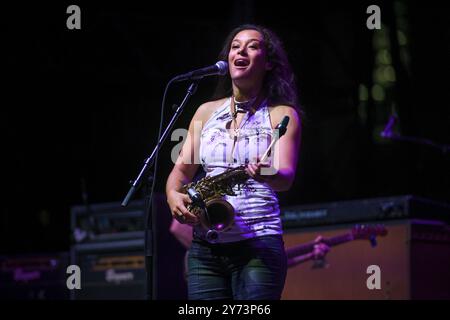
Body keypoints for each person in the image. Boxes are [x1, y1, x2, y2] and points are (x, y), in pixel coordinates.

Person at [165, 24, 301, 300]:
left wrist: (266, 173)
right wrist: (172, 195)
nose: (241, 50)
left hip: (259, 244)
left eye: (252, 46)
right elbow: (180, 170)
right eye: (235, 46)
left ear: (269, 63)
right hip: (206, 248)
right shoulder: (205, 111)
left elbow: (286, 177)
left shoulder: (282, 114)